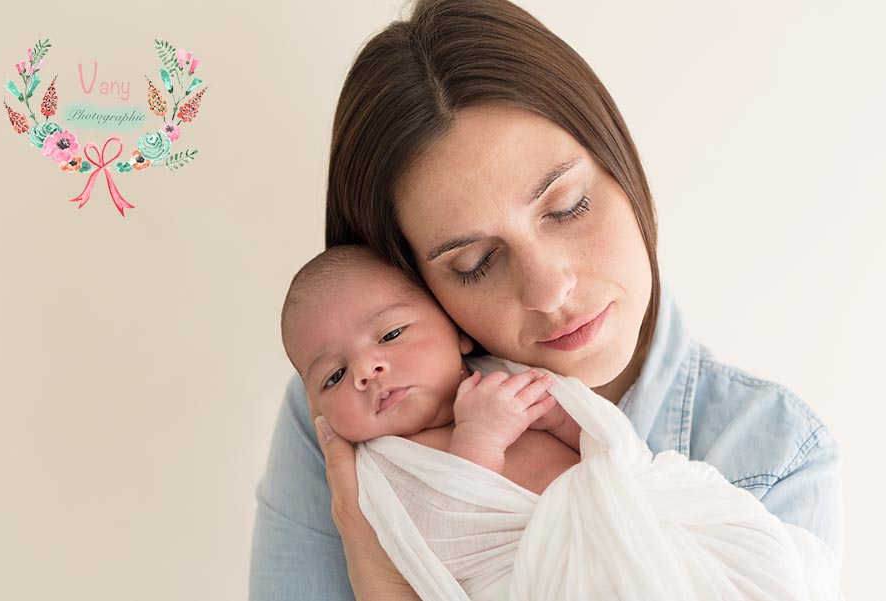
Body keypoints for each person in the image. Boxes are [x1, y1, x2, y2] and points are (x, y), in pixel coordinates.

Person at [250, 1, 843, 599]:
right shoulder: (356, 418)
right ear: (417, 285)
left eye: (567, 208)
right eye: (473, 264)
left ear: (620, 160)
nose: (550, 289)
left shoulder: (773, 449)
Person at [279, 244, 570, 474]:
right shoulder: (379, 470)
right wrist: (480, 442)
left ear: (458, 329)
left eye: (391, 335)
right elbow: (450, 536)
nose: (365, 371)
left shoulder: (507, 379)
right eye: (335, 376)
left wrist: (561, 420)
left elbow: (607, 447)